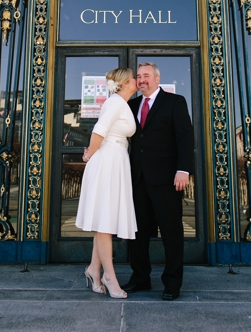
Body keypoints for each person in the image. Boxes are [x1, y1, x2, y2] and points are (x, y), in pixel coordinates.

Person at [122, 62, 194, 301]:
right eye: (138, 76)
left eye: (146, 76)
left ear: (157, 78)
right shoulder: (131, 104)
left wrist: (183, 170)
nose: (142, 80)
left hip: (167, 179)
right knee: (137, 232)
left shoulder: (175, 102)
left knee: (171, 232)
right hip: (137, 178)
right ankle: (140, 278)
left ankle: (172, 282)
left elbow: (184, 139)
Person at [75, 67, 139, 299]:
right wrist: (89, 155)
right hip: (107, 161)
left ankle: (94, 269)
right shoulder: (114, 103)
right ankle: (109, 276)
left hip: (116, 160)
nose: (136, 80)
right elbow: (98, 131)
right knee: (105, 222)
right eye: (134, 78)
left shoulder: (121, 103)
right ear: (123, 83)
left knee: (106, 219)